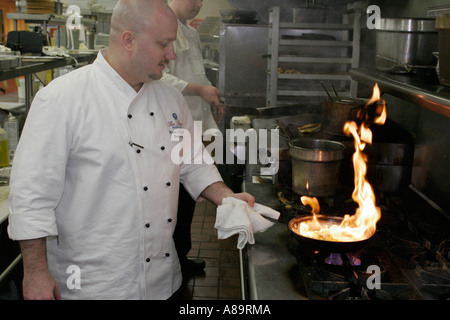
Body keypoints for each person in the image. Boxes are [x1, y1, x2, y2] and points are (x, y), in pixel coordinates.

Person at [7, 0, 254, 300]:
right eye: (164, 44)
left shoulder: (171, 100)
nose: (172, 54)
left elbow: (194, 163)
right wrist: (35, 272)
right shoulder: (60, 100)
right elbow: (31, 197)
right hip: (91, 286)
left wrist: (228, 199)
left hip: (163, 282)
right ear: (128, 40)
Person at [161, 0, 225, 274]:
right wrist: (200, 89)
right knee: (172, 202)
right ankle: (170, 261)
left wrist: (210, 102)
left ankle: (180, 257)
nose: (198, 4)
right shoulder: (164, 28)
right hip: (170, 127)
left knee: (187, 201)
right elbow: (158, 78)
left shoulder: (192, 33)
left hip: (194, 128)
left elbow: (197, 75)